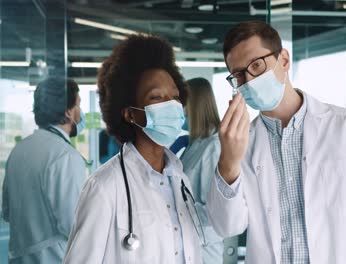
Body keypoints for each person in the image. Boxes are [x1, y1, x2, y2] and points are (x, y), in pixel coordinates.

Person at [206, 20, 346, 263]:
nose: (249, 80)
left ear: (283, 60)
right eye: (239, 75)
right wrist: (229, 163)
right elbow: (227, 227)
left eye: (257, 65)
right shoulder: (241, 145)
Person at [64, 34, 202, 264]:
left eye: (175, 97)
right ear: (130, 113)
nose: (171, 105)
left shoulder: (180, 179)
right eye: (157, 97)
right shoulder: (104, 187)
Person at [1, 77, 87, 264]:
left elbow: (7, 212)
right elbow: (74, 225)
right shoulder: (65, 156)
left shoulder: (19, 150)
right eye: (78, 105)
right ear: (68, 112)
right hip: (54, 259)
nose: (81, 112)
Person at [180, 77, 230, 263]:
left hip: (204, 246)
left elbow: (213, 209)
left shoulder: (214, 146)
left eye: (182, 104)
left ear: (194, 106)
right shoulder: (196, 144)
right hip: (187, 241)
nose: (180, 111)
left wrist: (176, 209)